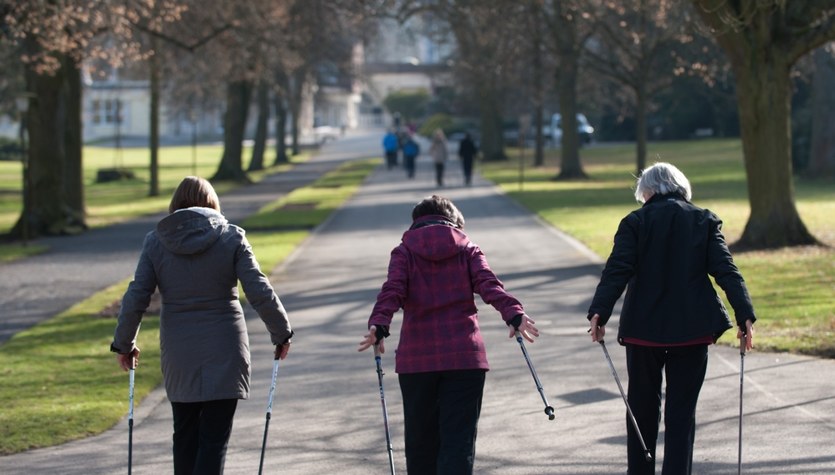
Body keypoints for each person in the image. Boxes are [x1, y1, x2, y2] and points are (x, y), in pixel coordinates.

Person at [110, 176, 293, 475]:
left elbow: (136, 296)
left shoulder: (156, 242)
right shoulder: (231, 236)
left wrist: (124, 344)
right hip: (226, 347)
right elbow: (259, 289)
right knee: (213, 441)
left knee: (184, 436)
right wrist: (281, 332)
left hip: (180, 353)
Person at [586, 162, 755, 475]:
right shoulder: (703, 220)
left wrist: (600, 311)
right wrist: (744, 312)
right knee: (681, 413)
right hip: (692, 330)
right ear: (681, 188)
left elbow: (617, 270)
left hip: (643, 331)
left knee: (641, 409)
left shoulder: (635, 222)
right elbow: (726, 270)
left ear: (647, 192)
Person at [358, 195, 539, 475]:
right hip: (464, 357)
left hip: (417, 360)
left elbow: (392, 290)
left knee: (420, 443)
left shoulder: (404, 252)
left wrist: (379, 325)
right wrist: (514, 313)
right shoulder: (468, 249)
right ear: (455, 222)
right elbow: (488, 284)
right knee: (459, 442)